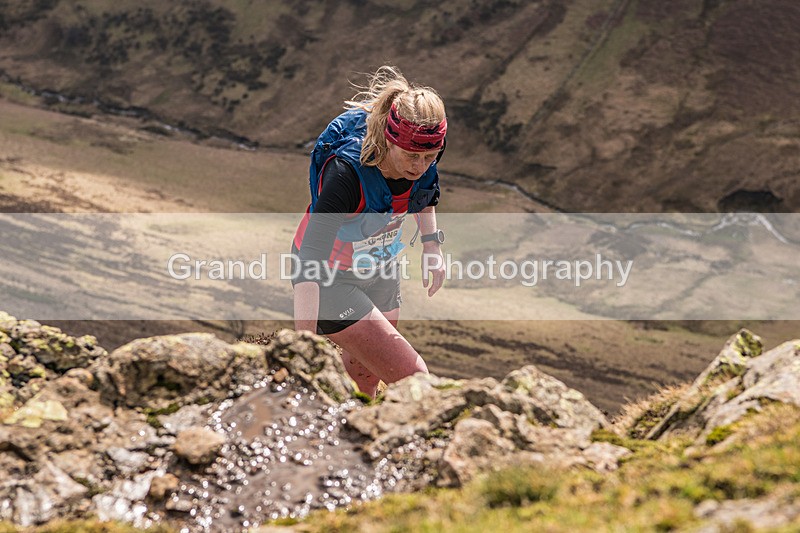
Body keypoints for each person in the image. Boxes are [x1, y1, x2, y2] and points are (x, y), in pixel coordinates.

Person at [292, 65, 447, 398]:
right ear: (390, 139)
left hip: (381, 268)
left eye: (430, 157)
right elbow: (309, 261)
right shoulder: (346, 175)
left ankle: (360, 415)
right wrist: (302, 348)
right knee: (413, 376)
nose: (419, 166)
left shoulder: (420, 159)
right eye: (412, 156)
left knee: (368, 373)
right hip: (330, 279)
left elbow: (425, 194)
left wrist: (432, 246)